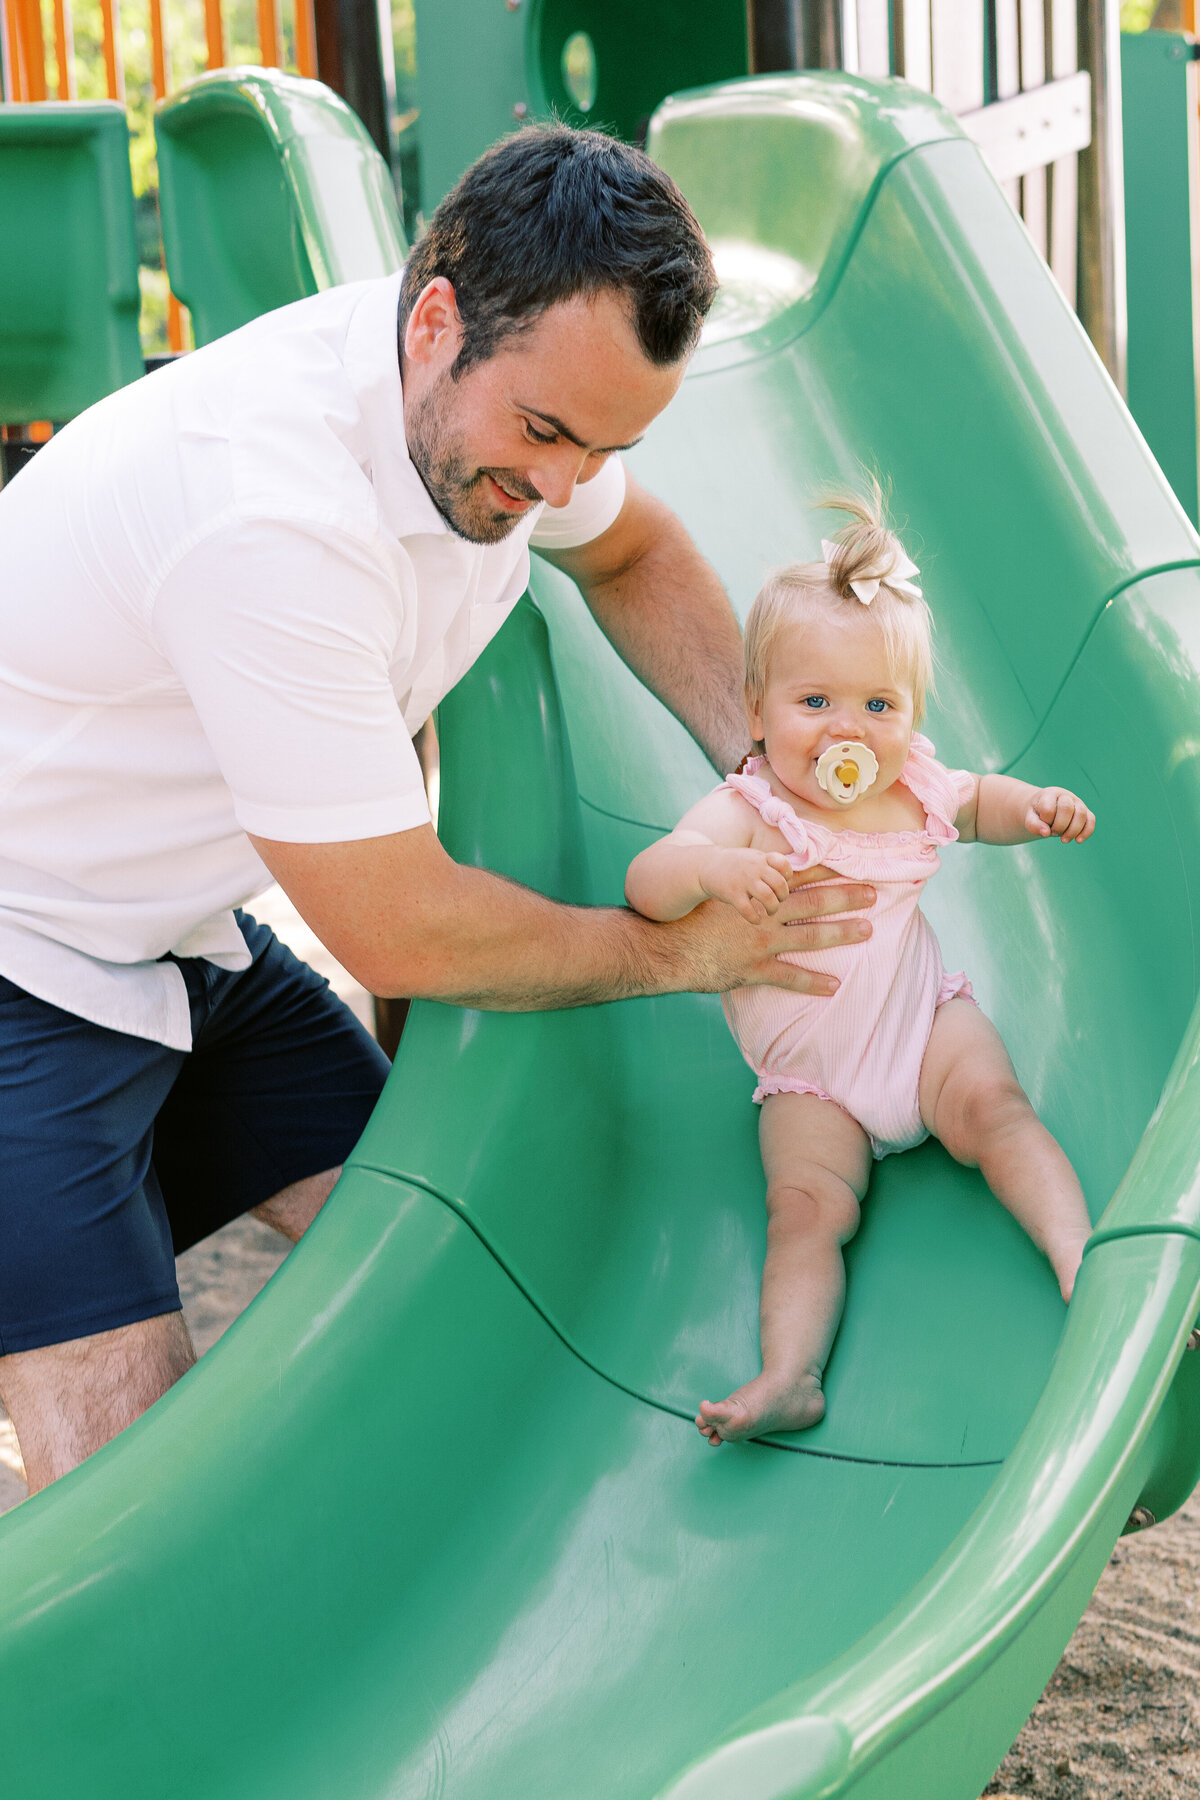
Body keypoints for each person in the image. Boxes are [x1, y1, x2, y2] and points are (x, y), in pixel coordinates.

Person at [0, 126, 878, 1495]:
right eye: (545, 438)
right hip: (16, 959)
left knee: (454, 1265)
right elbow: (402, 935)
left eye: (605, 446)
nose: (563, 489)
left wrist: (756, 769)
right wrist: (674, 957)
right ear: (433, 322)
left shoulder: (516, 404)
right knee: (123, 1488)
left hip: (173, 936)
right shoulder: (271, 526)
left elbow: (637, 551)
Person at [624, 487, 1096, 1447]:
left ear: (913, 716)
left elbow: (977, 802)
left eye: (879, 705)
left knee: (999, 1113)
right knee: (802, 1212)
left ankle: (1081, 1258)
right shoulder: (753, 811)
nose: (850, 731)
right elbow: (648, 881)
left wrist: (1034, 808)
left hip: (922, 1031)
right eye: (815, 702)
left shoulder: (912, 784)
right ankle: (789, 1374)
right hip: (813, 1081)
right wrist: (712, 870)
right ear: (755, 711)